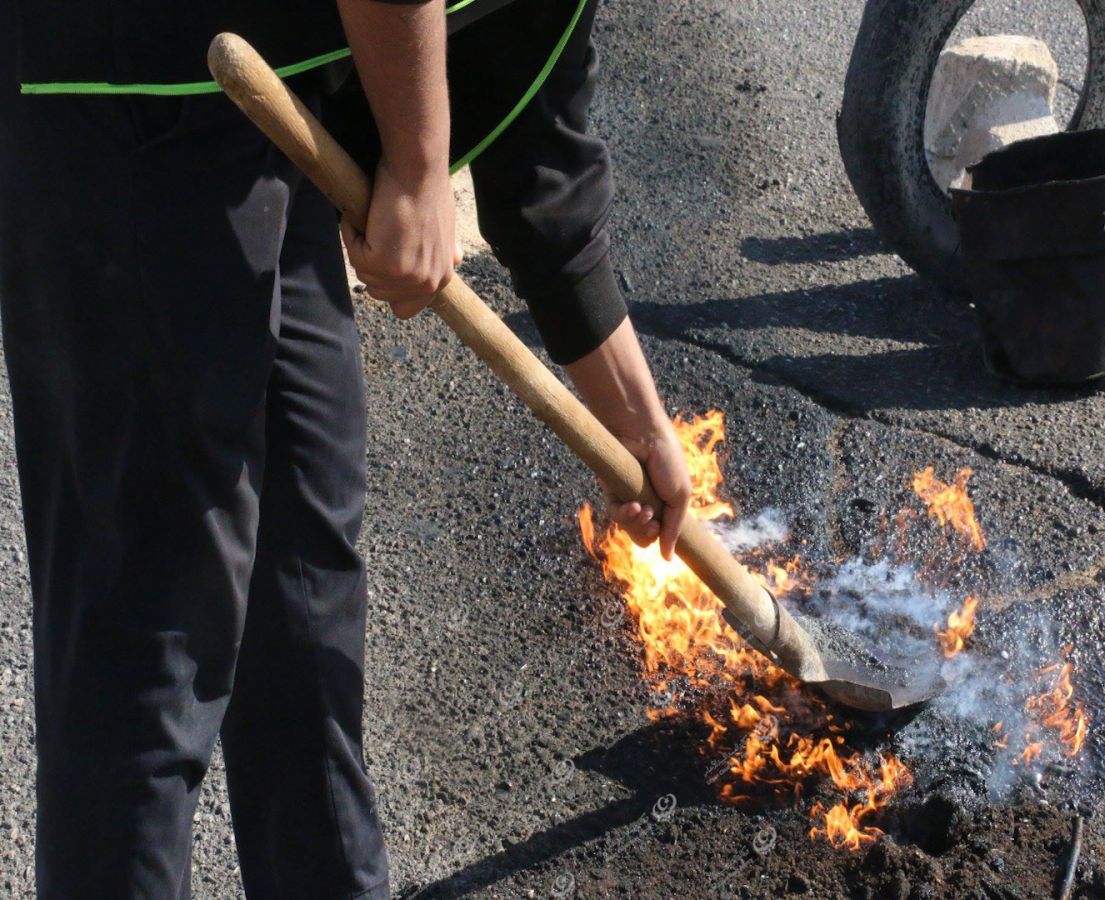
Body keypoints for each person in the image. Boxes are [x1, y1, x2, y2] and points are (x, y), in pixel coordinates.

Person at [0, 0, 690, 896]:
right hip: (127, 86)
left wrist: (635, 424)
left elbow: (541, 157)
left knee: (304, 595)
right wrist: (416, 160)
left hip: (271, 103)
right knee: (152, 643)